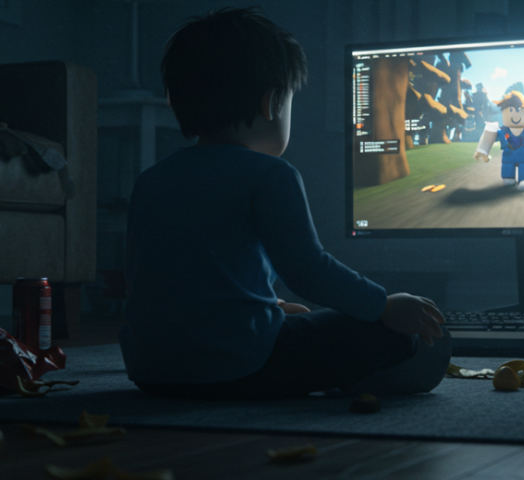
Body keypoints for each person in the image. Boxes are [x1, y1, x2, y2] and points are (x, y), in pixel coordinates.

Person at [119, 7, 450, 401]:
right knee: (403, 334)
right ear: (272, 102)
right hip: (241, 367)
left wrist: (265, 305)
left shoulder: (150, 180)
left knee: (302, 321)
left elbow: (174, 277)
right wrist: (383, 305)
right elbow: (308, 271)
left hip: (151, 371)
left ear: (175, 101)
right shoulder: (270, 175)